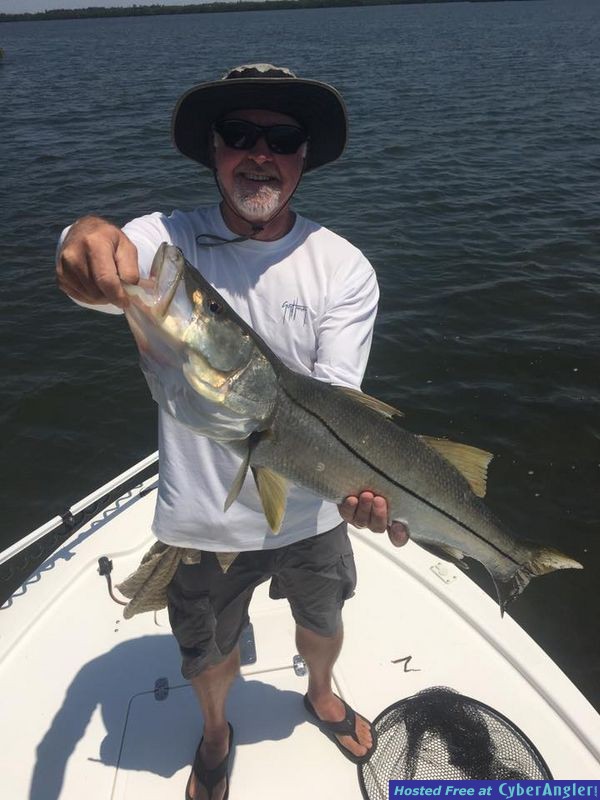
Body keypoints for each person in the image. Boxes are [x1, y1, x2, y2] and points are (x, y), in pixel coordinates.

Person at [56, 64, 409, 800]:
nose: (260, 154)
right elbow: (101, 257)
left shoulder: (342, 266)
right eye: (239, 134)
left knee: (324, 620)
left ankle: (321, 692)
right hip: (202, 522)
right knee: (207, 652)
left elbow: (338, 404)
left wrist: (368, 492)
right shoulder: (169, 244)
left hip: (314, 510)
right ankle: (216, 734)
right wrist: (82, 235)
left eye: (282, 138)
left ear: (303, 155)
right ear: (213, 149)